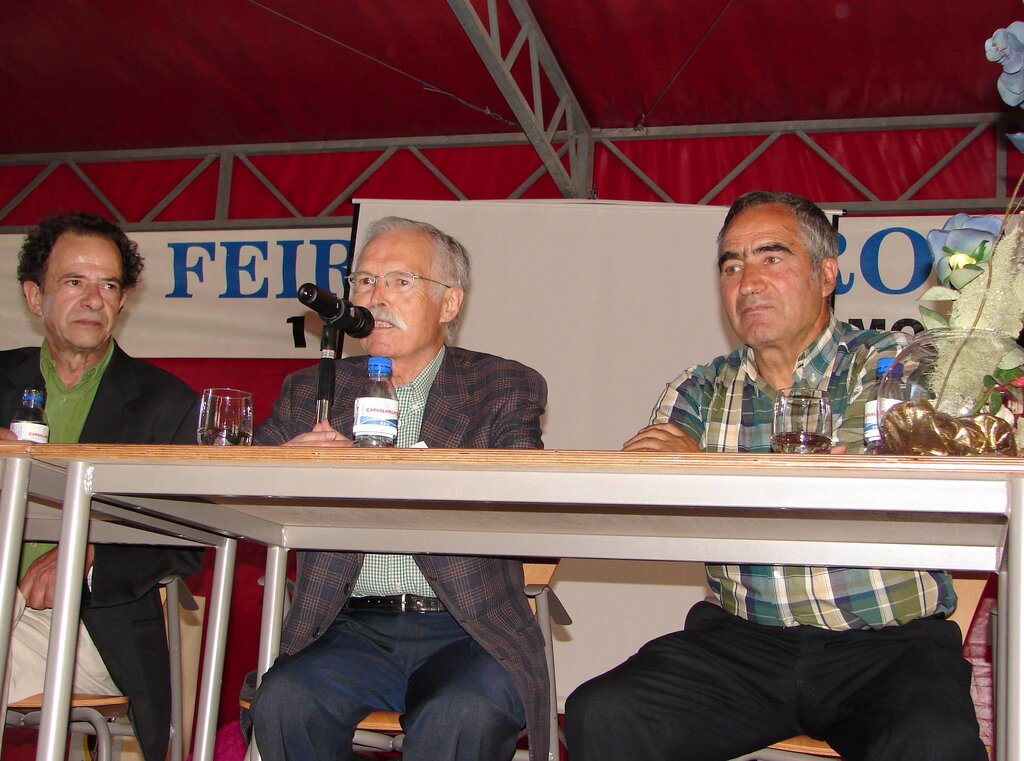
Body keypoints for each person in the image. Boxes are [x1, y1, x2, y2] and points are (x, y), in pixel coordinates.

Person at [564, 191, 987, 761]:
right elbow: (652, 474)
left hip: (887, 644)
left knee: (931, 742)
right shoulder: (701, 386)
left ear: (828, 272)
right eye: (732, 265)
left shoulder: (891, 359)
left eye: (771, 258)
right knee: (607, 712)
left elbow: (870, 456)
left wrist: (709, 467)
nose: (749, 281)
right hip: (740, 640)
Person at [247, 216, 550, 761]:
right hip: (348, 626)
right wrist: (277, 464)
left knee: (463, 714)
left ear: (450, 304)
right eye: (363, 281)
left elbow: (527, 500)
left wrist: (411, 464)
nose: (376, 297)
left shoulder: (502, 386)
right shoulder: (312, 393)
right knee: (285, 700)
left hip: (465, 627)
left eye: (400, 282)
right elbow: (236, 482)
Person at [0, 212, 203, 761]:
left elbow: (187, 540)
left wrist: (90, 554)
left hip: (93, 627)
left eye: (108, 285)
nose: (93, 299)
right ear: (33, 295)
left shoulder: (166, 404)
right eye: (74, 282)